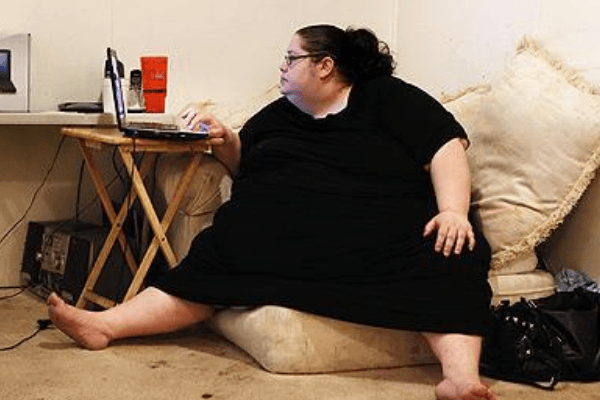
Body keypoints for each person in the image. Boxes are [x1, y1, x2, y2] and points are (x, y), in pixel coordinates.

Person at [48, 24, 497, 400]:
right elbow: (244, 163)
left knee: (453, 255)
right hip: (281, 241)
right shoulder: (281, 113)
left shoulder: (386, 97)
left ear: (325, 65)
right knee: (214, 254)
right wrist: (225, 139)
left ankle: (459, 379)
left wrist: (453, 211)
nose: (281, 67)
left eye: (291, 58)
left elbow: (445, 146)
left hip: (379, 237)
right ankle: (104, 326)